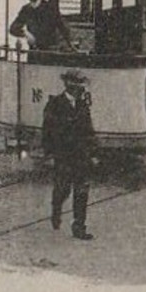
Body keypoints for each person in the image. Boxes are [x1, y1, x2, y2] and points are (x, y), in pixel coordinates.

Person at [42, 68, 96, 240]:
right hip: (63, 156)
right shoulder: (55, 104)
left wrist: (93, 152)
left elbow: (89, 130)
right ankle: (56, 210)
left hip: (81, 156)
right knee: (63, 189)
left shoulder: (82, 105)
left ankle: (79, 226)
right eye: (79, 86)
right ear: (69, 86)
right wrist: (49, 153)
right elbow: (48, 131)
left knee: (81, 191)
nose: (82, 89)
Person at [8, 0, 74, 50]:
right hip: (33, 52)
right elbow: (13, 28)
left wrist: (68, 44)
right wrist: (26, 34)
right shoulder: (26, 10)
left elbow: (63, 27)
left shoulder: (50, 8)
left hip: (49, 51)